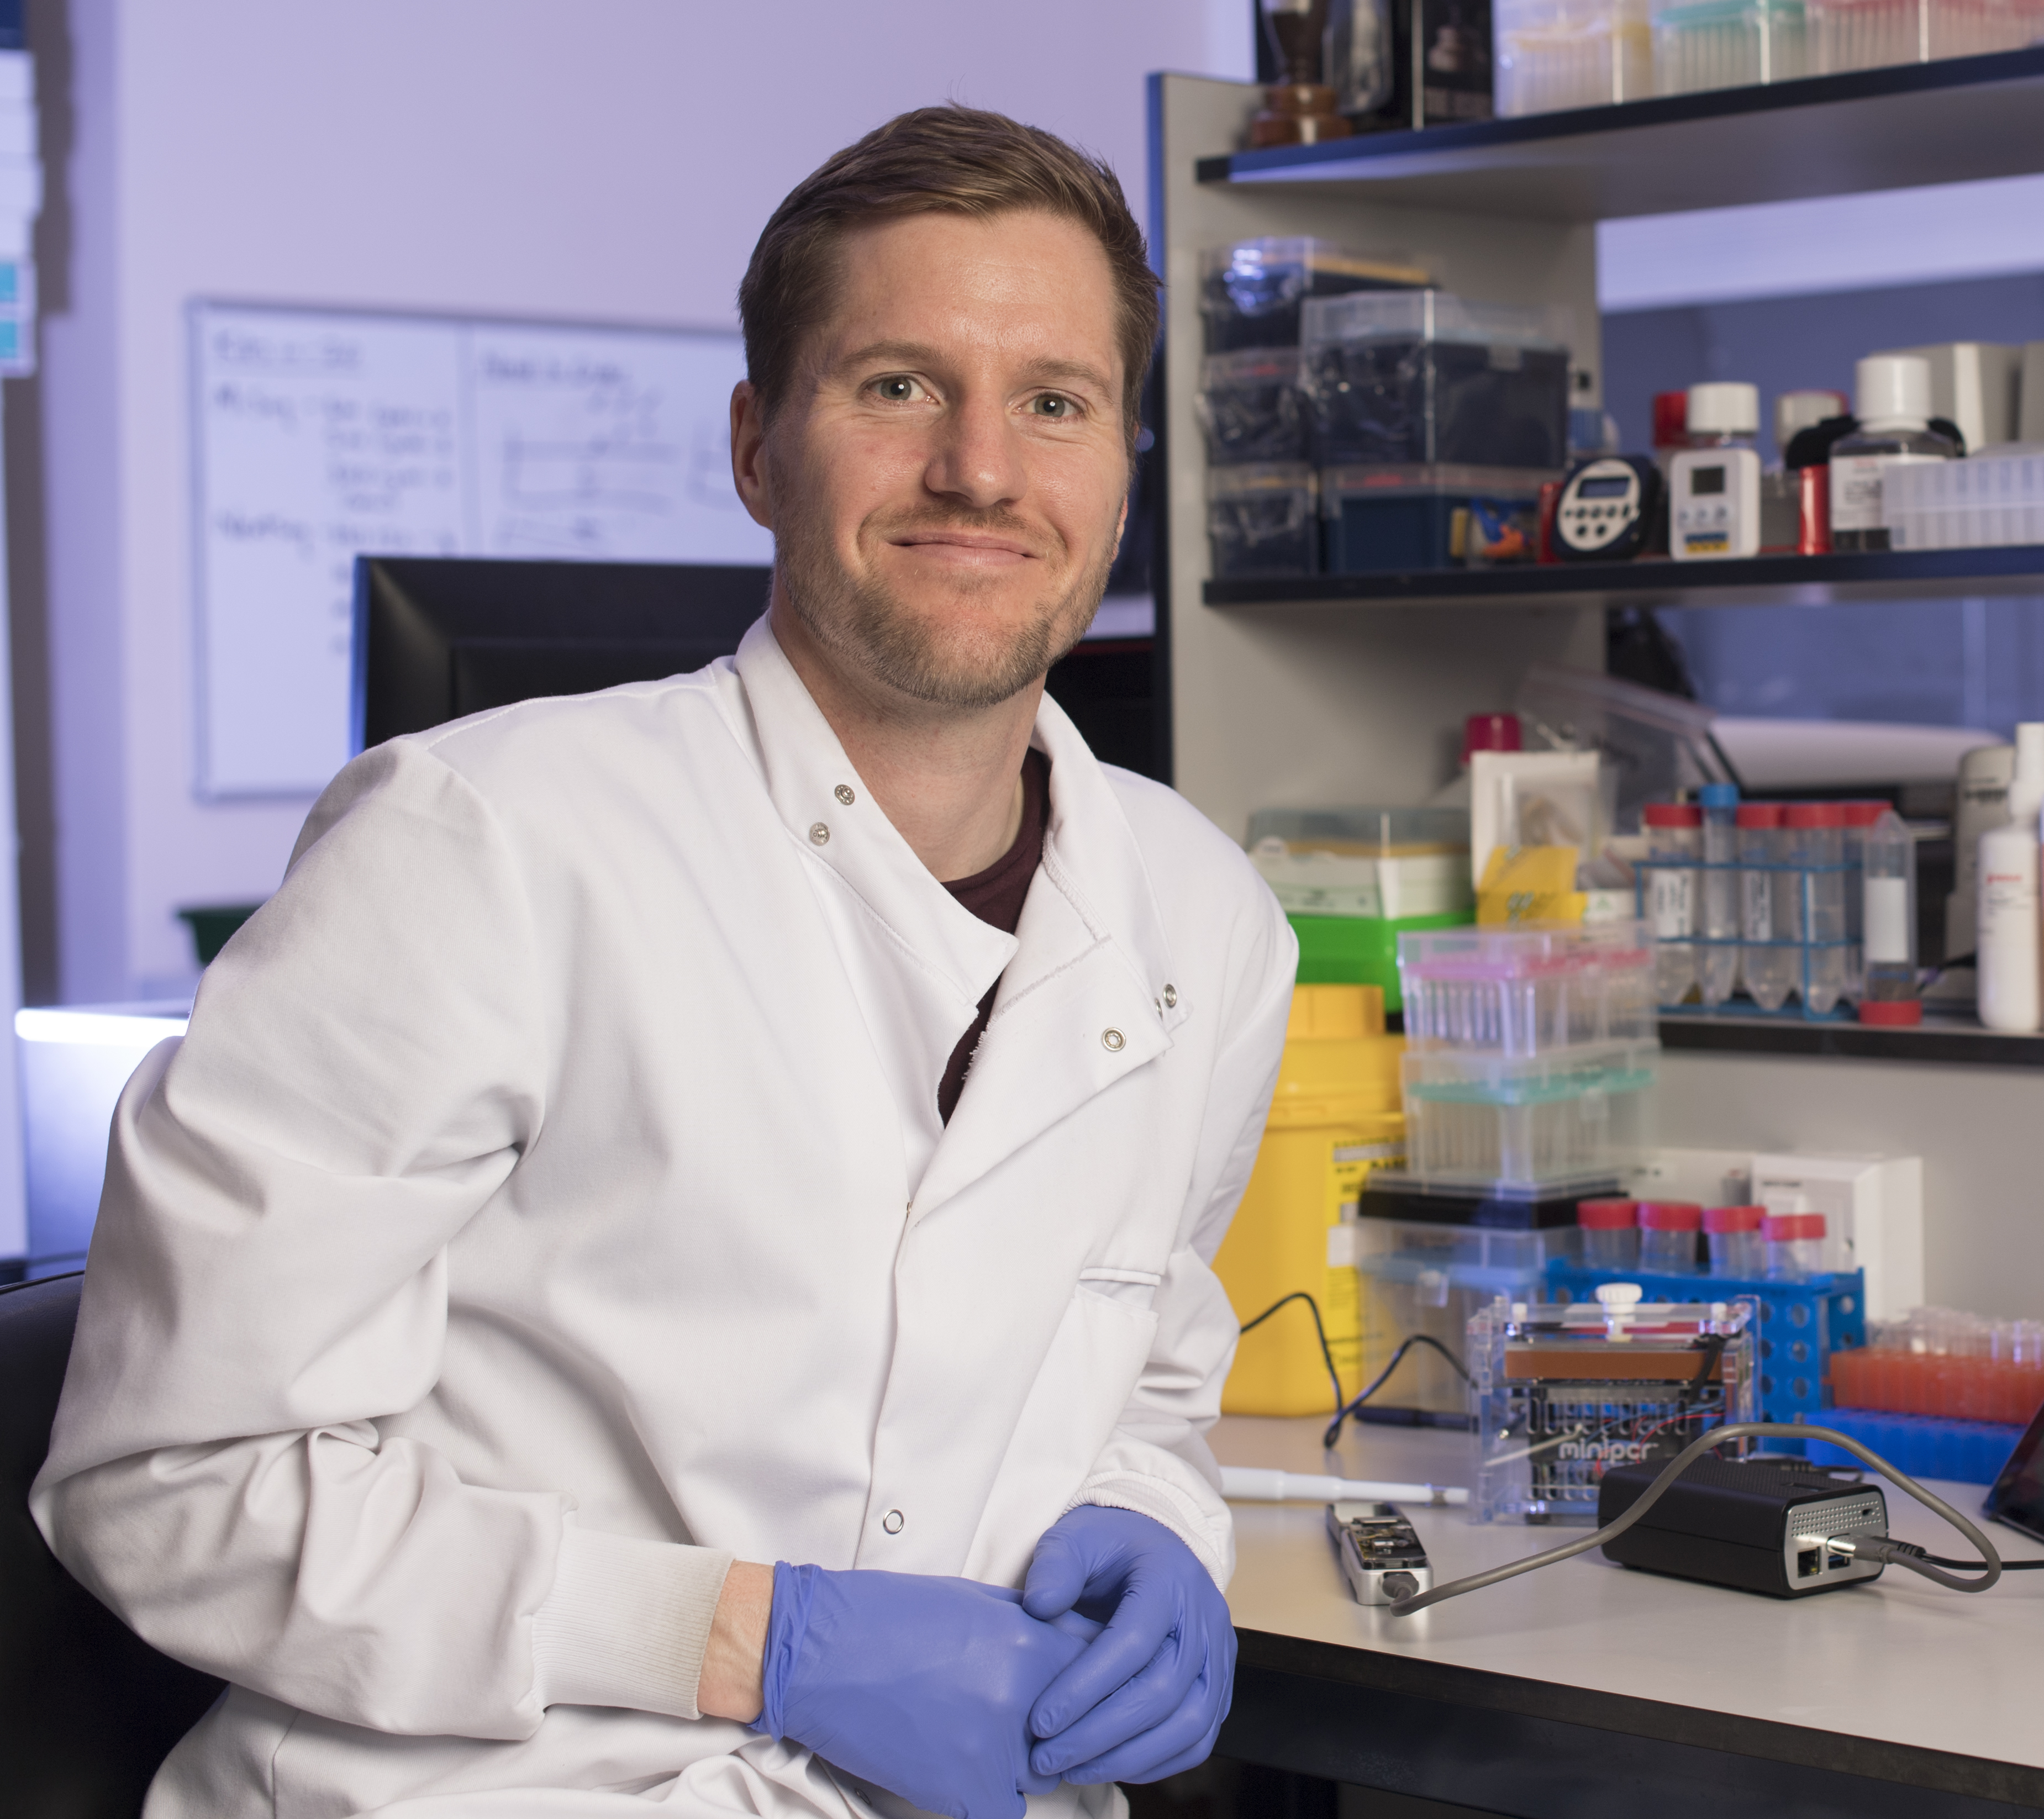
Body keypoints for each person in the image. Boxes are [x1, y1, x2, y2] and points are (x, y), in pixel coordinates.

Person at [31, 106, 1296, 1819]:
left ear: (1122, 475)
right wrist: (752, 1639)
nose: (983, 469)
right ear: (759, 447)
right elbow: (171, 1483)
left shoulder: (1204, 917)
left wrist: (1152, 1519)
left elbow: (1144, 1370)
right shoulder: (480, 841)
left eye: (1055, 402)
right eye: (898, 386)